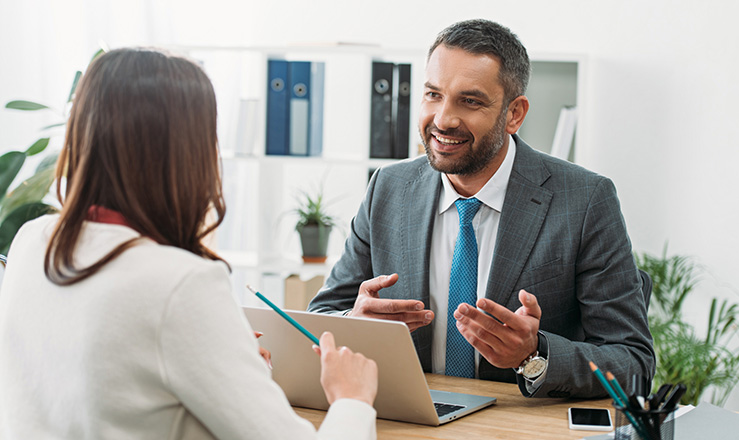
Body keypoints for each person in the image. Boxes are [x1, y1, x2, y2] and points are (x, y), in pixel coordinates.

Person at [0, 48, 377, 439]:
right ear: (189, 153)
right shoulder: (180, 283)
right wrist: (352, 399)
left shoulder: (32, 241)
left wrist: (232, 366)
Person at [309, 19, 654, 399]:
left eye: (469, 101)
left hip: (518, 428)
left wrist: (533, 354)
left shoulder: (585, 200)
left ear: (514, 114)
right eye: (433, 95)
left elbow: (633, 361)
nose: (443, 119)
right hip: (413, 420)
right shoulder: (387, 189)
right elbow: (321, 316)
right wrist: (354, 322)